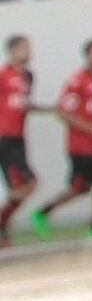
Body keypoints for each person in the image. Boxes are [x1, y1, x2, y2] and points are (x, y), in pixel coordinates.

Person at [29, 39, 92, 236]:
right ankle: (43, 212)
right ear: (88, 56)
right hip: (82, 146)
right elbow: (63, 112)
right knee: (79, 188)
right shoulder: (78, 81)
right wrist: (89, 127)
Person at [0, 34, 33, 242]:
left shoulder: (28, 76)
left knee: (27, 185)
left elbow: (23, 103)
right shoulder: (4, 75)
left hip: (18, 137)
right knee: (24, 184)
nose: (28, 52)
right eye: (23, 48)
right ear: (11, 51)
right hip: (5, 137)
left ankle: (3, 225)